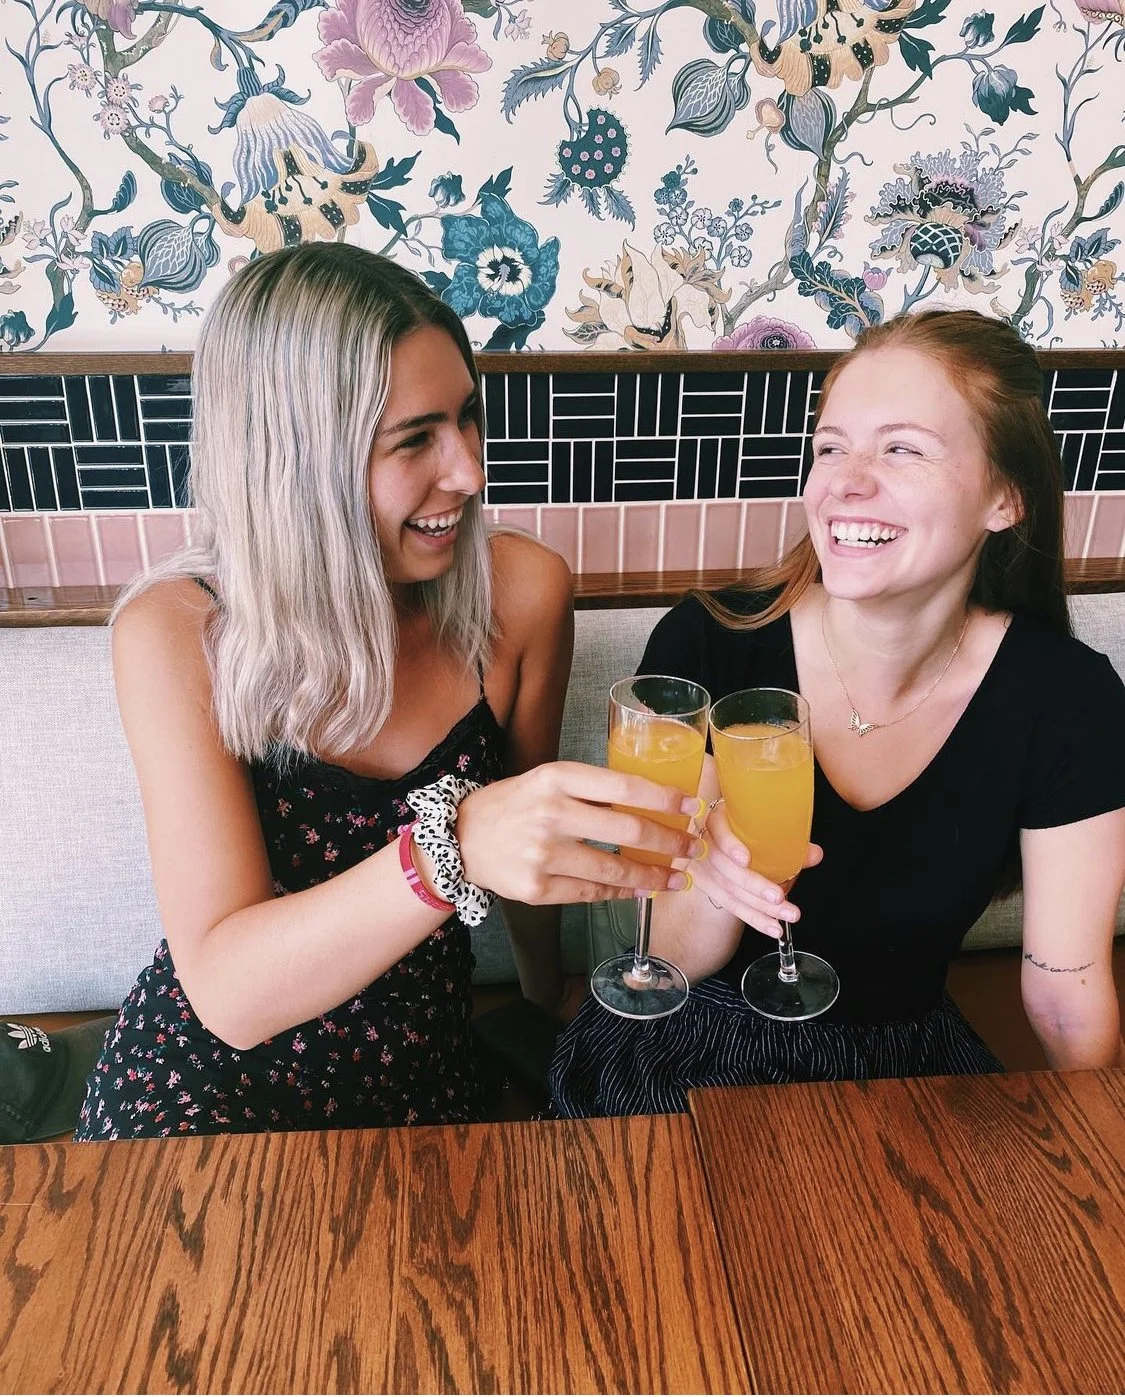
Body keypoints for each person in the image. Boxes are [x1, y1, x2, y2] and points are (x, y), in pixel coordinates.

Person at [76, 244, 704, 1140]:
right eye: (414, 439)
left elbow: (529, 849)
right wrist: (448, 848)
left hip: (424, 1077)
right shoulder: (179, 632)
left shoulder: (520, 591)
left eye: (467, 418)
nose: (469, 472)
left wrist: (551, 1007)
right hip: (207, 1096)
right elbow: (227, 991)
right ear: (295, 459)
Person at [550, 308, 1125, 1118]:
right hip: (685, 1047)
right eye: (829, 446)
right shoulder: (711, 643)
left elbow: (1067, 994)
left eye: (901, 448)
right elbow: (663, 956)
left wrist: (1100, 1169)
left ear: (1005, 497)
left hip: (904, 1066)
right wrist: (719, 885)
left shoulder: (1066, 698)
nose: (844, 482)